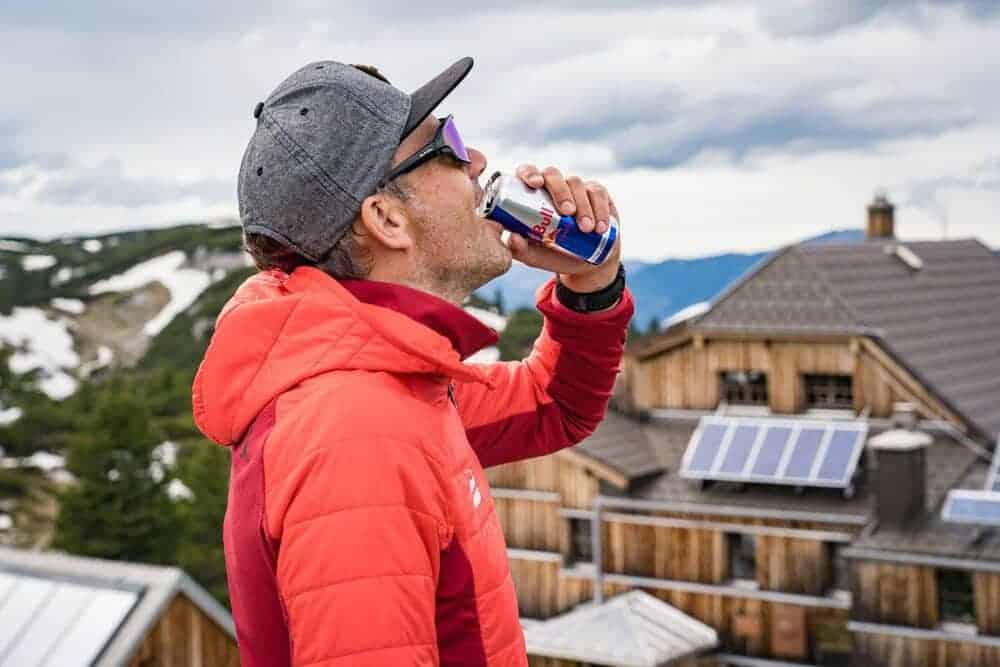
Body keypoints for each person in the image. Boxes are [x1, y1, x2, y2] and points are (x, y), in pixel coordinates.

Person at [192, 56, 634, 667]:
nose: (477, 160)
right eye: (447, 144)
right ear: (386, 218)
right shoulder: (358, 434)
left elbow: (554, 405)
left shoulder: (389, 377)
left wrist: (591, 282)